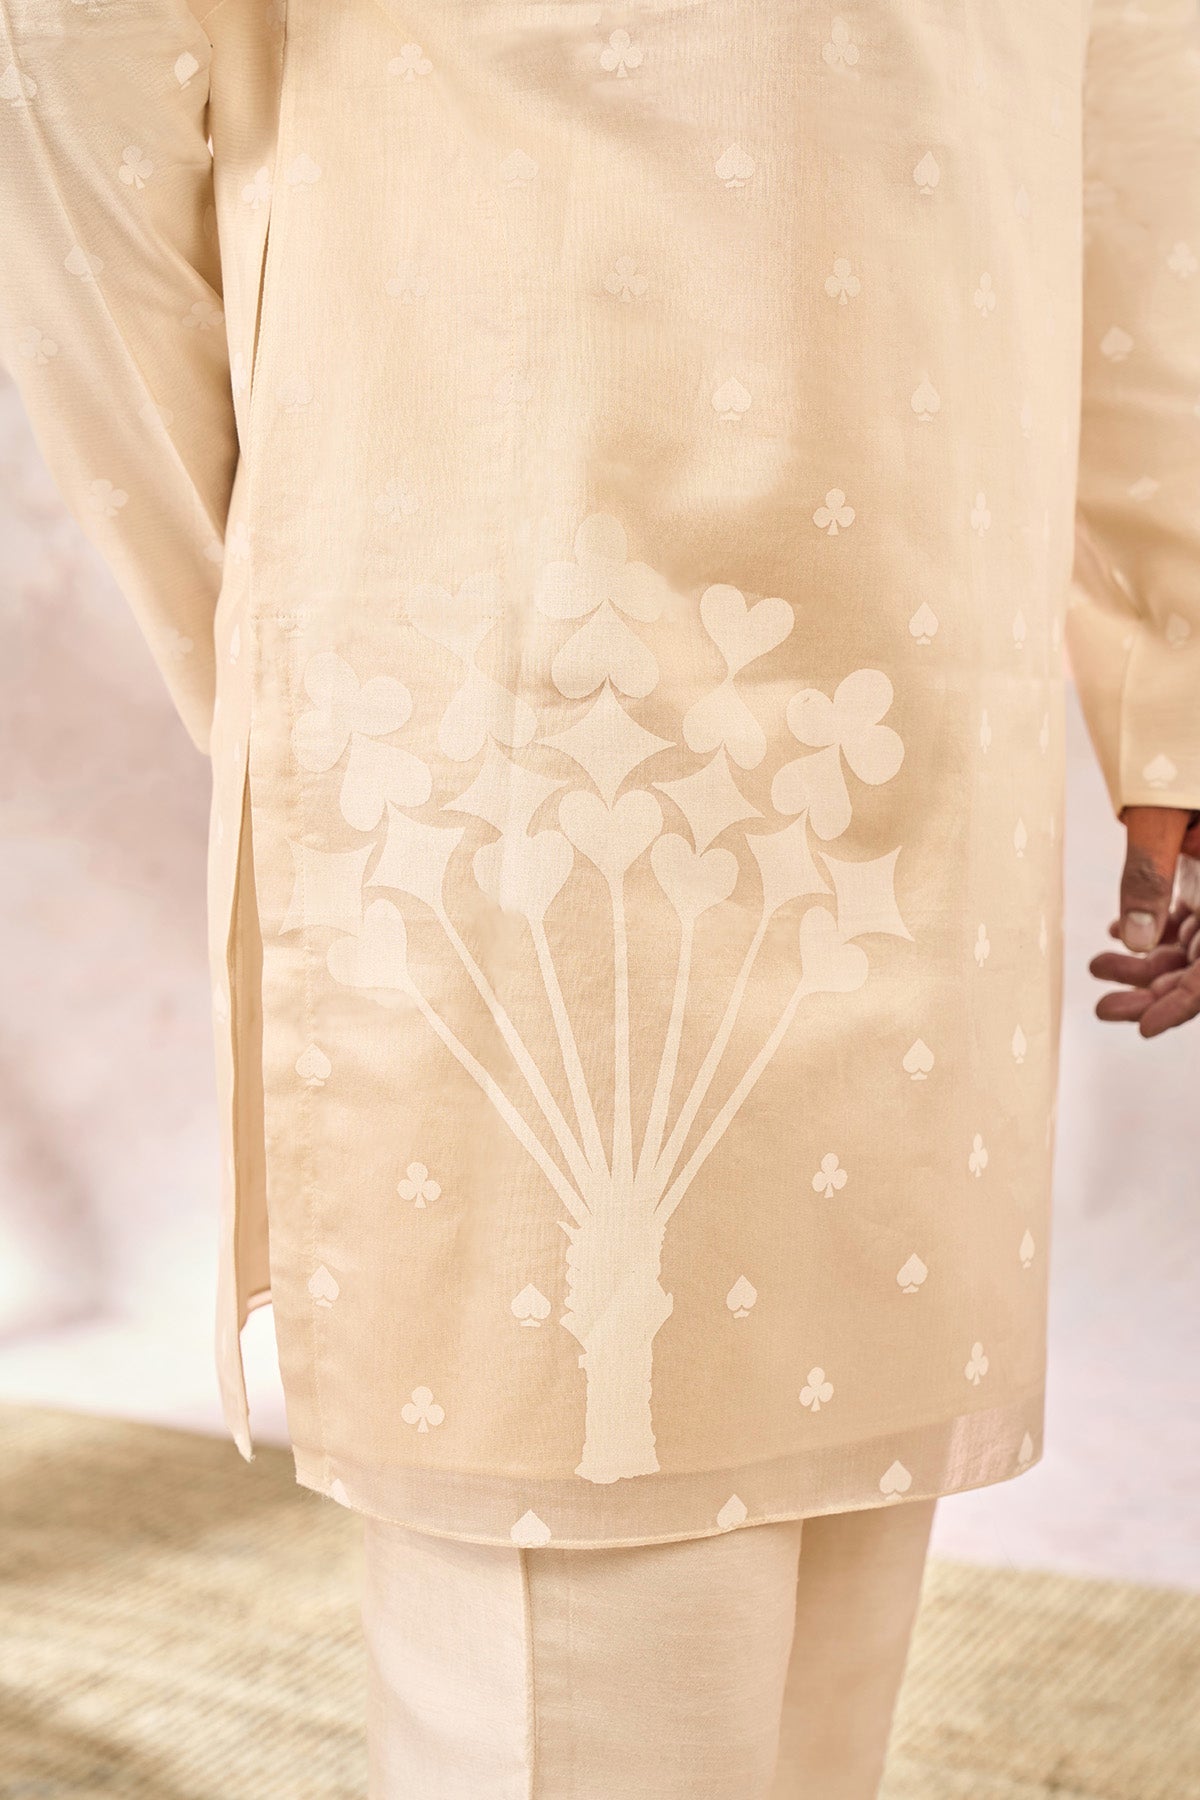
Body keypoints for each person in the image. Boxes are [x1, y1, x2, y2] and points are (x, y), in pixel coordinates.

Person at [1, 3, 1197, 1794]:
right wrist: (286, 632)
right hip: (518, 709)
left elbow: (1134, 113)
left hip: (921, 691)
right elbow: (70, 82)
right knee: (576, 1594)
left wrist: (1178, 683)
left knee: (824, 1606)